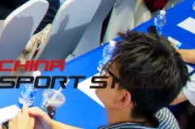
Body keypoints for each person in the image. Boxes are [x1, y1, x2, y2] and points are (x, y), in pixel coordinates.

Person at [19, 31, 186, 129]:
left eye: (108, 70)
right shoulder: (161, 115)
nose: (101, 74)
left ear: (124, 98)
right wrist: (51, 125)